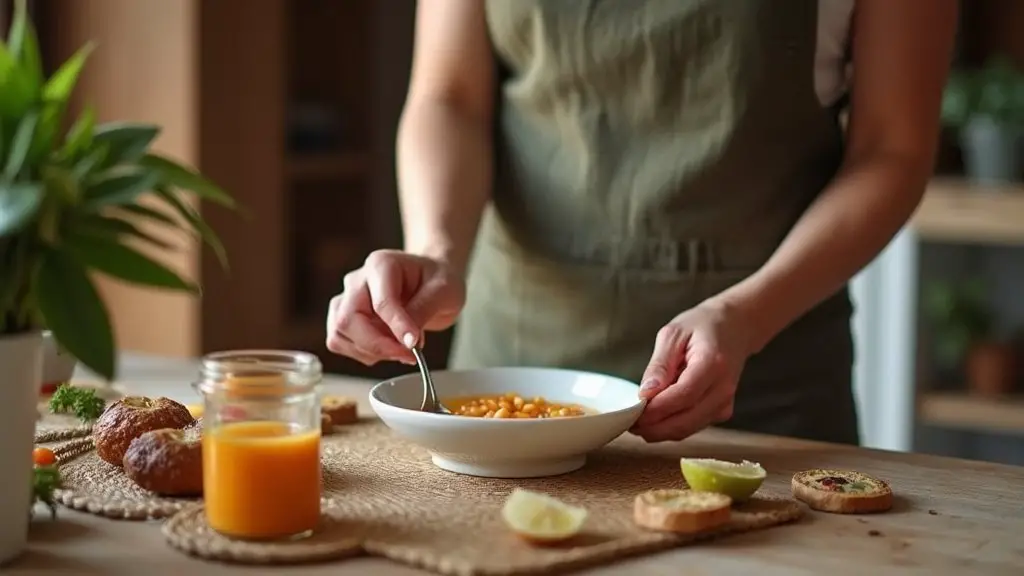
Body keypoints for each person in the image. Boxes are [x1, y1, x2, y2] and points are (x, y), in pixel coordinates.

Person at [326, 0, 957, 445]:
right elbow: (450, 97)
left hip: (762, 386)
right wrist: (436, 250)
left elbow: (891, 150)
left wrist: (747, 315)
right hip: (512, 353)